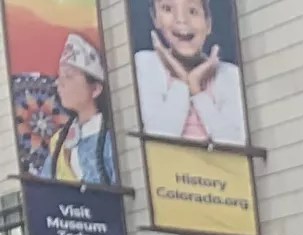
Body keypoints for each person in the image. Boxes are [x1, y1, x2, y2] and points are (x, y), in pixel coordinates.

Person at [134, 0, 247, 148]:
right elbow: (158, 141)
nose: (181, 20)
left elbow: (236, 145)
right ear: (155, 18)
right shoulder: (145, 63)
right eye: (168, 9)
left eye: (193, 11)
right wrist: (181, 82)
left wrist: (197, 90)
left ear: (208, 24)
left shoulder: (229, 74)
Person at [46, 36, 117, 188]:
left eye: (68, 76)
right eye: (59, 76)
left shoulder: (112, 136)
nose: (59, 83)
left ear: (95, 89)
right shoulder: (58, 141)